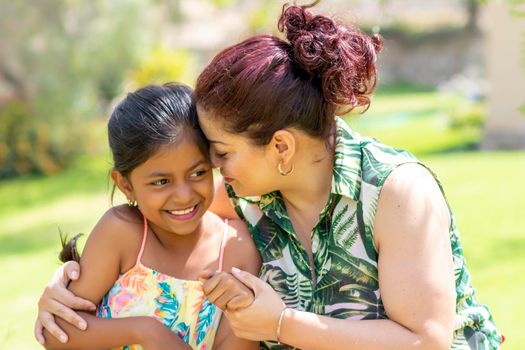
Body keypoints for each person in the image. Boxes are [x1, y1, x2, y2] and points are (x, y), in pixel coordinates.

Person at [36, 2, 502, 349]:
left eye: (221, 153)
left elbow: (429, 341)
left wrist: (281, 325)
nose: (214, 171)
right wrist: (66, 289)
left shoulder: (395, 192)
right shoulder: (248, 193)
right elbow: (163, 219)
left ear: (281, 146)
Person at [37, 83, 261, 350]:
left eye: (198, 173)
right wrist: (144, 331)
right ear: (126, 185)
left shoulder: (236, 249)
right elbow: (57, 333)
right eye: (161, 182)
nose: (183, 195)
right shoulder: (122, 232)